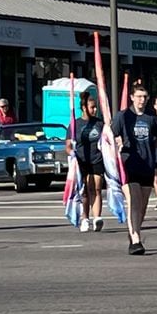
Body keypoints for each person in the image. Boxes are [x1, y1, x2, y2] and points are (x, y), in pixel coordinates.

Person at [111, 84, 157, 255]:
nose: (142, 100)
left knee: (143, 205)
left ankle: (134, 229)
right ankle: (135, 239)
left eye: (145, 97)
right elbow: (111, 135)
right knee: (134, 200)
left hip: (147, 165)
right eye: (139, 96)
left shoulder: (151, 117)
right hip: (129, 164)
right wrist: (117, 147)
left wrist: (150, 148)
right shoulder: (123, 116)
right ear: (132, 97)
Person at [67, 92, 105, 232]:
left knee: (96, 188)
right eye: (92, 107)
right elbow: (68, 145)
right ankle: (84, 218)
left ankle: (97, 218)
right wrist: (71, 153)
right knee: (83, 191)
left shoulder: (99, 123)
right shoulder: (75, 124)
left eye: (96, 107)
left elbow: (107, 139)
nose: (95, 110)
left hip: (96, 158)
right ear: (84, 107)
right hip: (81, 161)